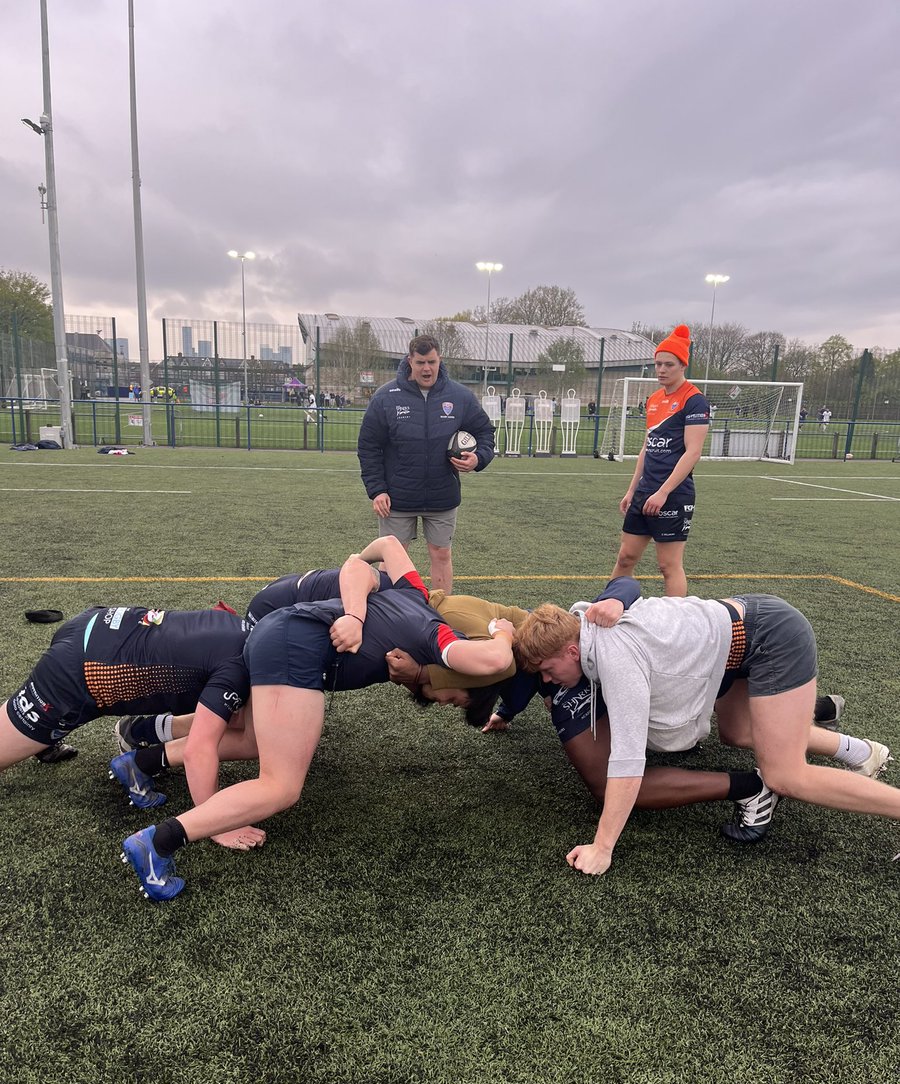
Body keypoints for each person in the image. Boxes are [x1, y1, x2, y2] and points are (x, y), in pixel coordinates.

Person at [120, 536, 517, 901]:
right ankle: (157, 842)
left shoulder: (414, 594)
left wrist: (357, 612)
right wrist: (503, 632)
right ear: (457, 675)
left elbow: (383, 548)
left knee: (253, 743)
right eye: (457, 701)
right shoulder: (437, 636)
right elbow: (496, 658)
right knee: (281, 787)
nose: (446, 703)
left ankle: (141, 763)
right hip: (293, 648)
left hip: (284, 632)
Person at [514, 595, 896, 875]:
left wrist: (602, 846)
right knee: (739, 732)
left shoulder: (615, 657)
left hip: (769, 638)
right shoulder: (588, 627)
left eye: (547, 670)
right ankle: (860, 752)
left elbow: (628, 760)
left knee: (785, 775)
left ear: (570, 650)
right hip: (738, 639)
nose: (547, 681)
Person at [0, 605, 264, 850]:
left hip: (98, 624)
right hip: (79, 670)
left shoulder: (240, 627)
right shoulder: (237, 669)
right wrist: (216, 824)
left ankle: (43, 739)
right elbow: (198, 750)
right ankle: (40, 733)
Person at [357, 334, 495, 594]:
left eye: (431, 361)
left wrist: (478, 459)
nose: (426, 368)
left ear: (439, 359)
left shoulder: (460, 396)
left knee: (441, 555)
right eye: (420, 362)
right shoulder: (386, 397)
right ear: (410, 361)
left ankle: (442, 615)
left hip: (442, 495)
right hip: (397, 498)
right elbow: (368, 447)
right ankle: (391, 615)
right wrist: (377, 490)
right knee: (391, 559)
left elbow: (486, 433)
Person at [611, 324, 710, 597]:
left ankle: (673, 626)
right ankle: (609, 609)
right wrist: (632, 490)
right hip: (644, 493)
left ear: (682, 366)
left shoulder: (695, 401)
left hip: (673, 495)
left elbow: (693, 452)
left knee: (668, 566)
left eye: (668, 364)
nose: (661, 370)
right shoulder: (653, 399)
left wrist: (663, 492)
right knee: (625, 558)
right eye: (658, 364)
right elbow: (647, 447)